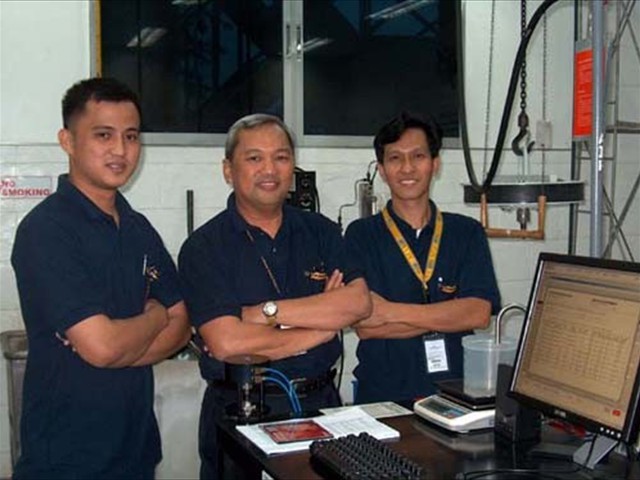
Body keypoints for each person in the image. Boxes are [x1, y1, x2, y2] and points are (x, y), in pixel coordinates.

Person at [11, 77, 190, 479]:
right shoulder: (46, 231)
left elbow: (183, 326)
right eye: (103, 135)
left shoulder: (138, 228)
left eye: (131, 136)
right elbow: (105, 346)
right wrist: (155, 317)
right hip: (66, 460)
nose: (120, 150)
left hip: (136, 452)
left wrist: (119, 348)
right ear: (67, 141)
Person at [178, 113, 371, 479]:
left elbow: (358, 303)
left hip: (320, 407)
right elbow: (227, 342)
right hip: (242, 411)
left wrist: (263, 313)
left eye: (281, 157)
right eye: (254, 158)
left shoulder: (322, 231)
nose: (270, 169)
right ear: (227, 170)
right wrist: (320, 329)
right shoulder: (204, 247)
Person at [344, 112, 501, 404]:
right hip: (382, 397)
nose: (407, 168)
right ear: (381, 169)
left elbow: (478, 313)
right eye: (395, 158)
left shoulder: (466, 233)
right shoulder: (360, 235)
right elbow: (365, 325)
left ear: (435, 164)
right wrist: (447, 314)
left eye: (418, 156)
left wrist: (390, 312)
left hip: (457, 395)